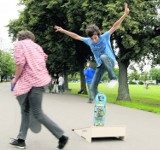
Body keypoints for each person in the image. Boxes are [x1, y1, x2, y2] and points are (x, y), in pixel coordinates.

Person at [54, 3, 129, 99]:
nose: (94, 40)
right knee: (92, 88)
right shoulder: (89, 41)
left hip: (109, 61)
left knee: (102, 56)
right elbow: (76, 36)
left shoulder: (104, 37)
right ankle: (100, 100)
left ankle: (114, 78)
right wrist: (63, 30)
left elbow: (114, 26)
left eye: (95, 38)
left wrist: (124, 15)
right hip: (101, 66)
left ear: (98, 34)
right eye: (92, 39)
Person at [10, 30, 68, 149]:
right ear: (31, 38)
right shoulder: (37, 47)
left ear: (20, 38)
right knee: (26, 110)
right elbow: (43, 60)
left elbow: (20, 63)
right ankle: (21, 140)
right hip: (39, 81)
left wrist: (15, 79)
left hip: (30, 83)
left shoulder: (19, 45)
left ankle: (61, 136)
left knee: (37, 113)